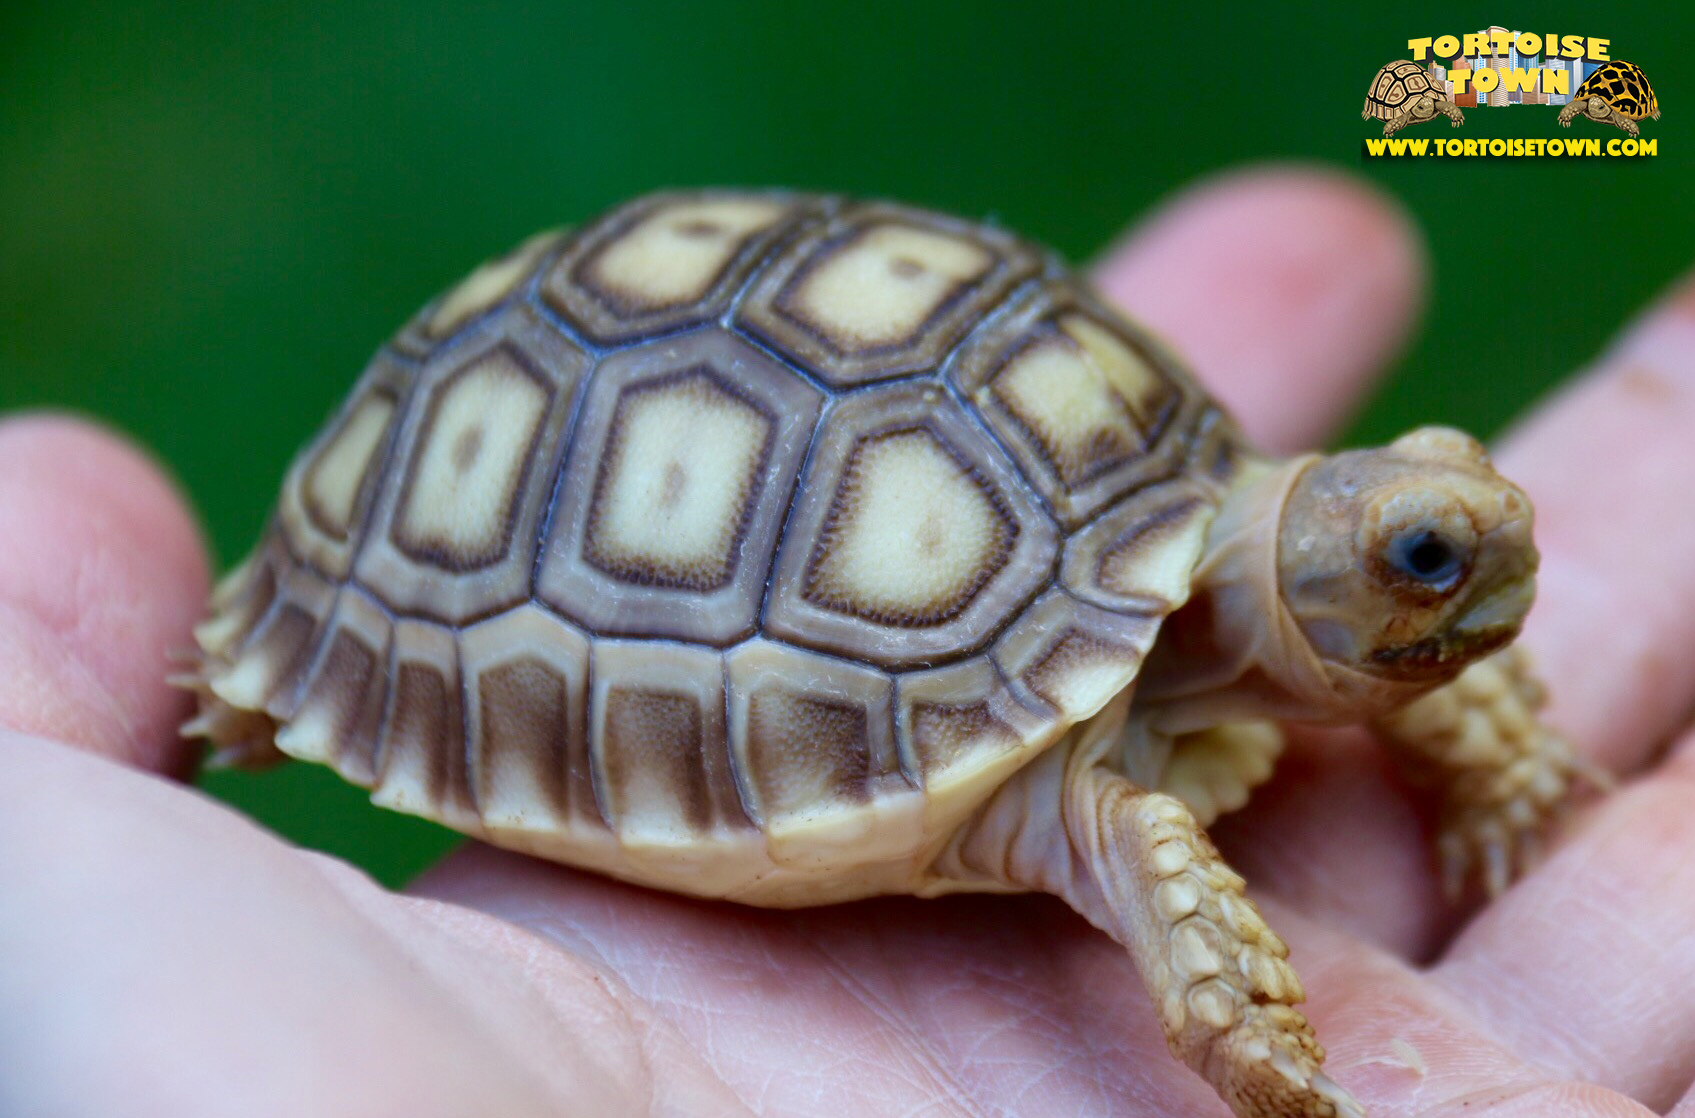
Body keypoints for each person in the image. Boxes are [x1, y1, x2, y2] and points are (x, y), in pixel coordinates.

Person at [3, 167, 1692, 1118]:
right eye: (1418, 561)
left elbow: (1407, 689)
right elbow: (1182, 921)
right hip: (525, 457)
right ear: (1309, 567)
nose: (1462, 586)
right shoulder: (1105, 790)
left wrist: (1479, 746)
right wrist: (1266, 1053)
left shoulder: (1188, 572)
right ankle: (299, 640)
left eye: (1442, 533)